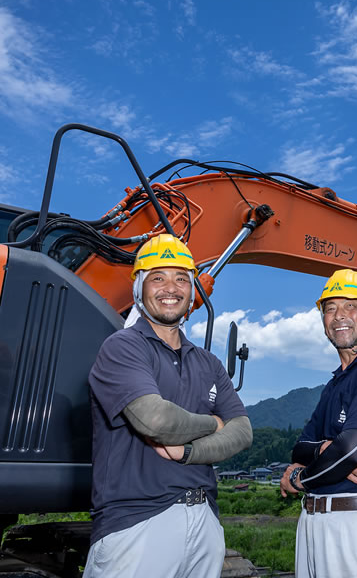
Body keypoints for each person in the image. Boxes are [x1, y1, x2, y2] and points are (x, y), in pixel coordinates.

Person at [84, 234, 253, 578]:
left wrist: (187, 452)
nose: (170, 288)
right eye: (157, 277)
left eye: (181, 278)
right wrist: (213, 424)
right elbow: (156, 420)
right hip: (137, 522)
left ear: (193, 292)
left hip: (205, 519)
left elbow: (244, 432)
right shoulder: (123, 348)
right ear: (139, 289)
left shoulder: (208, 362)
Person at [280, 269, 357, 578]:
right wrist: (326, 449)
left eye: (351, 306)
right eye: (330, 308)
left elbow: (350, 451)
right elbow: (301, 446)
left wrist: (301, 478)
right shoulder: (335, 383)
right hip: (315, 524)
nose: (339, 316)